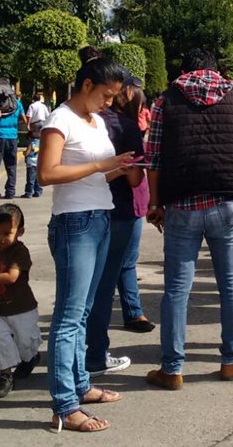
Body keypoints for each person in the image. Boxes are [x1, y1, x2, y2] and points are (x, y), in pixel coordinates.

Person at [145, 49, 233, 390]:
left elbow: (154, 158)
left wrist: (155, 203)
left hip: (182, 205)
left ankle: (172, 369)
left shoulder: (165, 102)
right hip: (227, 203)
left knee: (176, 290)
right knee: (232, 284)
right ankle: (230, 360)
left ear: (183, 71)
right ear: (215, 69)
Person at [36, 48, 137, 433]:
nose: (110, 102)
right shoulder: (60, 119)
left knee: (83, 311)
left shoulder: (94, 121)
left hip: (99, 216)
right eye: (106, 95)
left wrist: (118, 168)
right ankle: (64, 404)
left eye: (114, 97)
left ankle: (80, 385)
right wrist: (102, 165)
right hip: (74, 222)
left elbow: (93, 174)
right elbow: (47, 173)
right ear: (87, 84)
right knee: (69, 316)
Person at [84, 81, 154, 381]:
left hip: (81, 209)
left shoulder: (84, 121)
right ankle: (95, 354)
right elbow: (136, 178)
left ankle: (76, 350)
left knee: (81, 288)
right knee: (104, 285)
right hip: (119, 210)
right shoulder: (126, 128)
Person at [0, 203, 42, 399]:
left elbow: (11, 277)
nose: (0, 238)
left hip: (22, 307)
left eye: (7, 233)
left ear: (20, 231)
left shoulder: (20, 252)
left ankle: (31, 357)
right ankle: (5, 376)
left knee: (25, 341)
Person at [0, 92, 26, 199]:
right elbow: (24, 119)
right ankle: (10, 191)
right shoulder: (17, 104)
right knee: (11, 166)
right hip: (12, 136)